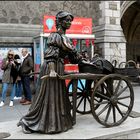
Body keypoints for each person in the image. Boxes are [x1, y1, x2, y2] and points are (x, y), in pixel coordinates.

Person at [17, 11, 88, 134]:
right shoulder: (54, 36)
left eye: (70, 20)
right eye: (66, 20)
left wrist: (85, 62)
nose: (69, 22)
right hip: (52, 67)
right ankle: (30, 122)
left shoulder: (66, 38)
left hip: (59, 67)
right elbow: (50, 56)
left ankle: (58, 123)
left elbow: (74, 57)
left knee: (58, 96)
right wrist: (52, 70)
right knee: (47, 96)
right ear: (59, 22)